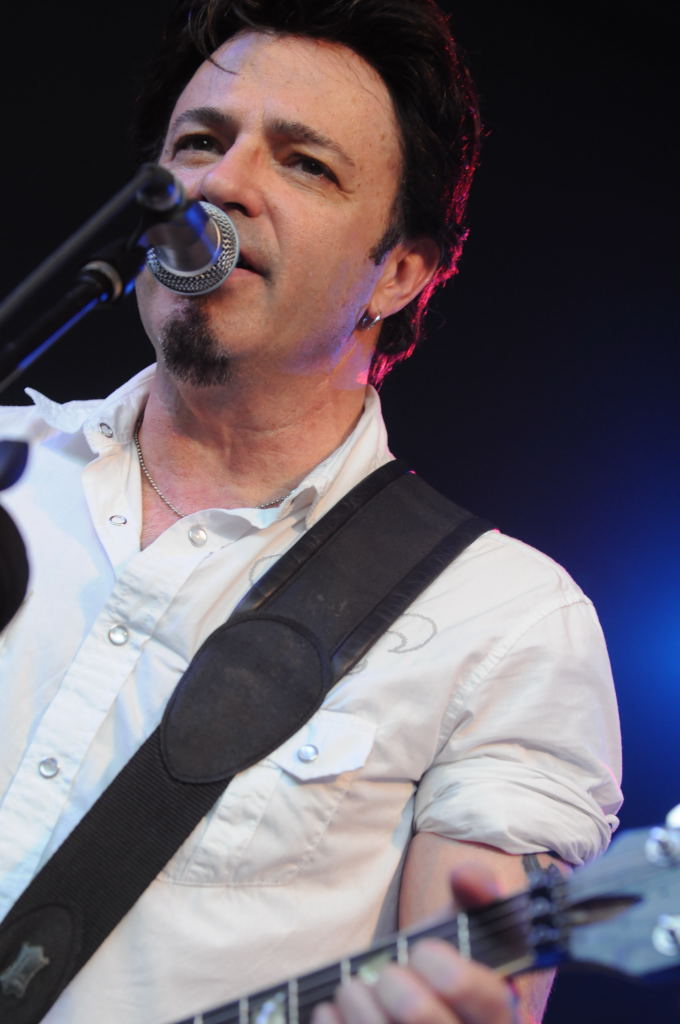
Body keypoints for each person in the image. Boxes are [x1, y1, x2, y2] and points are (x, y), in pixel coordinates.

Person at [0, 1, 622, 1022]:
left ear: (400, 271)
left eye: (304, 164)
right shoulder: (12, 464)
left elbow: (482, 976)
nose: (221, 184)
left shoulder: (507, 622)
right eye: (200, 142)